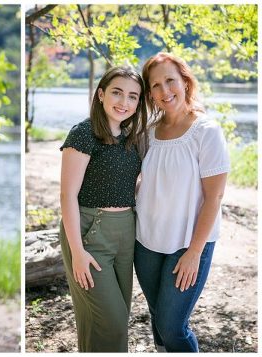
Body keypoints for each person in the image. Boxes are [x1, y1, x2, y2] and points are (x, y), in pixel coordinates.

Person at [135, 52, 230, 352]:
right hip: (147, 242)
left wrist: (194, 253)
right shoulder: (148, 132)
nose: (165, 91)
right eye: (156, 85)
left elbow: (214, 198)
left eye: (170, 81)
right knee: (157, 316)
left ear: (185, 82)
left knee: (173, 326)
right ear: (149, 93)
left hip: (188, 245)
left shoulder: (206, 131)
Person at [58, 66, 148, 352]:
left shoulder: (132, 138)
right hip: (89, 232)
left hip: (125, 234)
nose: (124, 102)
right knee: (112, 322)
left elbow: (127, 187)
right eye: (117, 93)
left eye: (133, 97)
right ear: (100, 94)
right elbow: (67, 195)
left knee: (116, 323)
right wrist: (77, 252)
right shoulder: (84, 134)